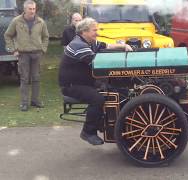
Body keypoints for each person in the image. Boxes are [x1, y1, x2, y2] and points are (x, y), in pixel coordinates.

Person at [58, 17, 133, 145]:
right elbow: (98, 65)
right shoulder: (78, 45)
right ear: (84, 32)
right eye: (94, 30)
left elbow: (107, 46)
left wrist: (124, 46)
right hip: (72, 85)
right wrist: (124, 68)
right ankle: (88, 132)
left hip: (85, 82)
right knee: (98, 99)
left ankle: (117, 125)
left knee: (120, 92)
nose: (97, 33)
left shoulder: (90, 42)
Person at [4, 0, 49, 111]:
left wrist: (43, 49)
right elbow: (8, 35)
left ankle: (35, 100)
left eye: (34, 9)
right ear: (25, 9)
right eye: (30, 9)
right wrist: (13, 49)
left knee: (36, 78)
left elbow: (46, 37)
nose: (32, 11)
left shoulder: (40, 22)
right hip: (23, 54)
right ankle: (24, 103)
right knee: (24, 79)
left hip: (37, 54)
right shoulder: (16, 21)